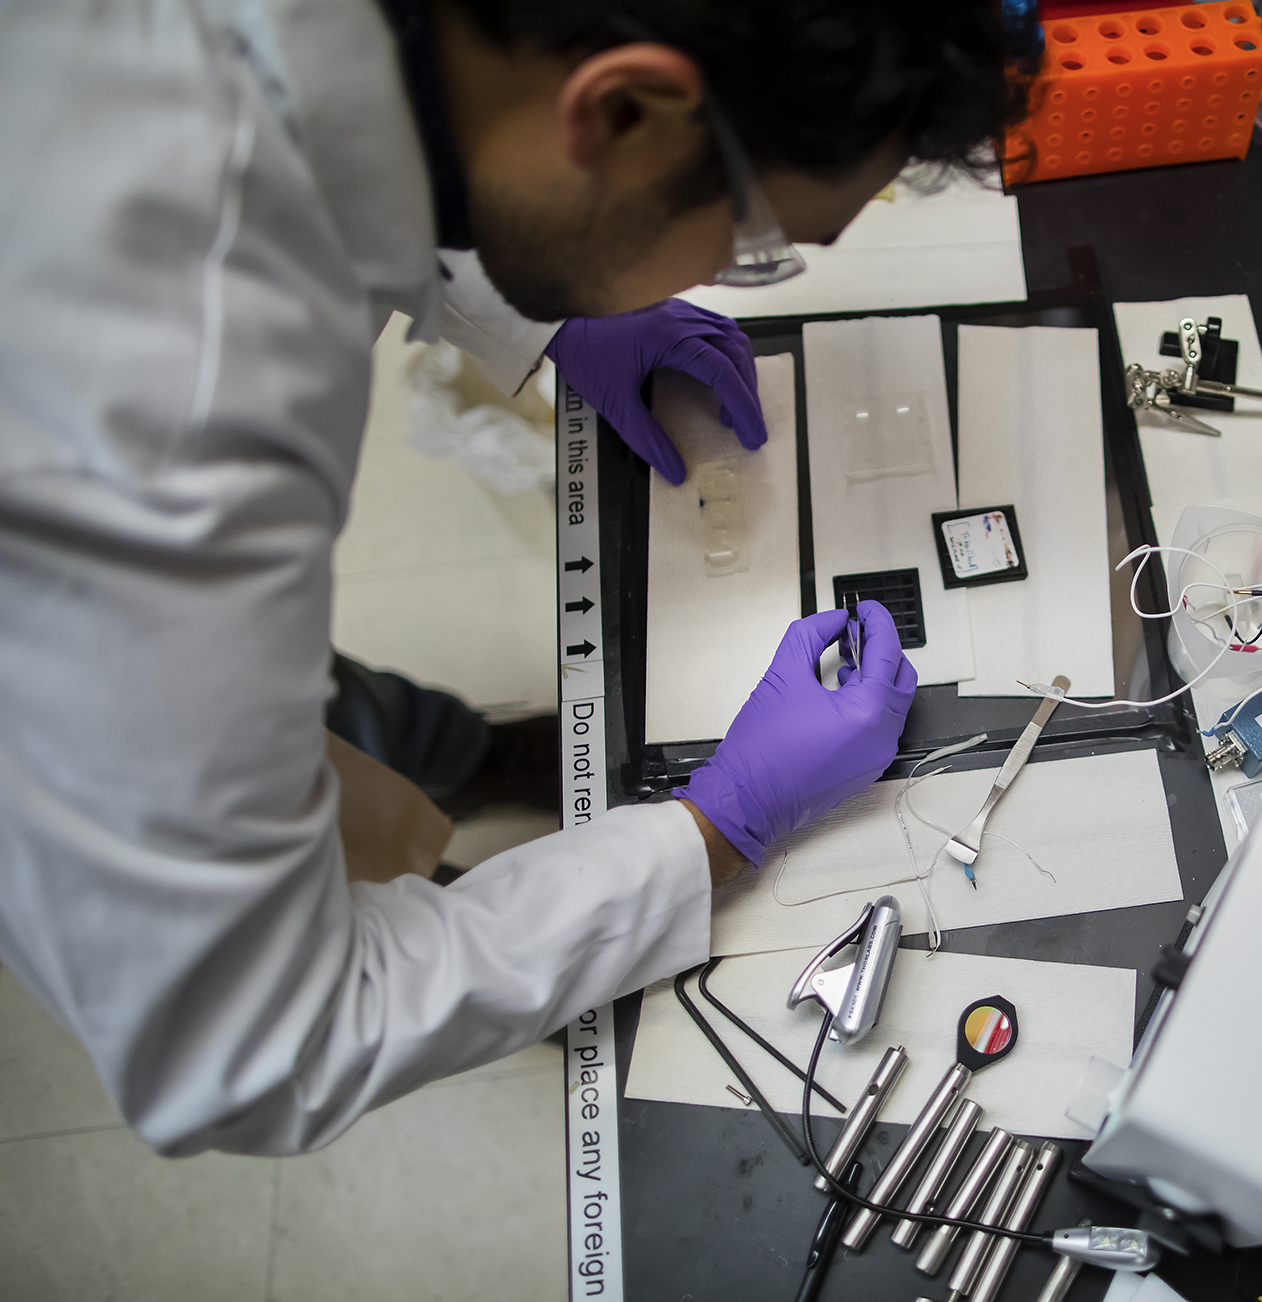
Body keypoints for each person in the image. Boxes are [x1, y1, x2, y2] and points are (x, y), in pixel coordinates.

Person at [0, 0, 1021, 1156]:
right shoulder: (172, 431)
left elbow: (412, 116)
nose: (728, 271)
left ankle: (454, 746)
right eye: (754, 245)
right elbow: (248, 1049)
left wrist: (528, 309)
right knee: (265, 774)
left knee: (329, 716)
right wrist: (712, 831)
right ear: (623, 111)